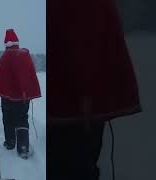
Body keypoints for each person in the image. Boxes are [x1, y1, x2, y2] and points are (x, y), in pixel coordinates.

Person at [48, 0, 142, 179]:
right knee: (79, 162)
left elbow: (82, 43)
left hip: (73, 104)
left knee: (73, 164)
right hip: (79, 101)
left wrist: (85, 94)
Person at [0, 29, 41, 159]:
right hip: (23, 97)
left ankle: (10, 143)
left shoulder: (5, 56)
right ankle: (23, 148)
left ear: (6, 43)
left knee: (8, 118)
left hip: (7, 97)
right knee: (22, 119)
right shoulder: (25, 54)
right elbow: (30, 75)